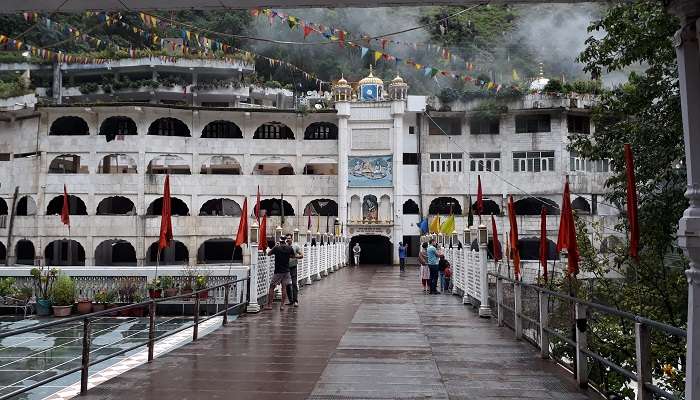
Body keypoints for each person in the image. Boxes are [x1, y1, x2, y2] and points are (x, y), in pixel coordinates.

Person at [265, 238, 294, 310]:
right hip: (286, 270)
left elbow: (268, 254)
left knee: (272, 287)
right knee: (284, 288)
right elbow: (293, 256)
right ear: (285, 241)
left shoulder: (277, 248)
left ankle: (270, 305)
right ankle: (282, 306)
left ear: (279, 241)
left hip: (278, 271)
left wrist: (275, 247)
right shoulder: (289, 248)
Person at [285, 234, 303, 307]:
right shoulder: (284, 246)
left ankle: (295, 301)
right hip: (286, 267)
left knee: (294, 284)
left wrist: (294, 256)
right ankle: (291, 300)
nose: (288, 239)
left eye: (289, 238)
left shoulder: (295, 246)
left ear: (292, 239)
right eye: (287, 238)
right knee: (287, 284)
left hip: (293, 267)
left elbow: (301, 255)